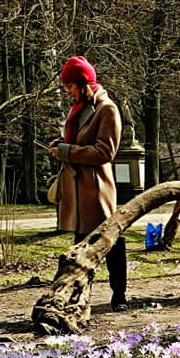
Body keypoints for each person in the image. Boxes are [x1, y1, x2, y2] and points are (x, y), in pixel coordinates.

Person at [48, 55, 127, 313]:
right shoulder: (79, 109)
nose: (68, 92)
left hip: (96, 191)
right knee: (80, 249)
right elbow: (77, 143)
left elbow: (105, 152)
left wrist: (67, 151)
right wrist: (60, 148)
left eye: (70, 86)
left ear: (83, 83)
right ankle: (79, 299)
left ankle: (119, 296)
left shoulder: (107, 109)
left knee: (112, 243)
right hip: (78, 189)